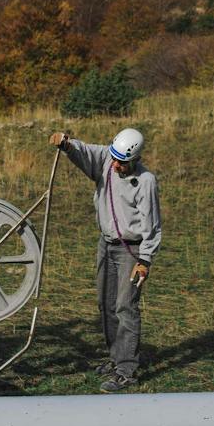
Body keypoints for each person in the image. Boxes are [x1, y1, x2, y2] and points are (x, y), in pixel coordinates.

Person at [49, 126, 161, 392]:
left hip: (130, 251)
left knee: (125, 307)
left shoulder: (146, 181)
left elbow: (152, 225)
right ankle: (115, 358)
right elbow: (84, 151)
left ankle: (127, 371)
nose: (116, 166)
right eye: (116, 159)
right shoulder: (107, 160)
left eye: (122, 163)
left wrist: (144, 260)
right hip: (106, 245)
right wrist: (66, 144)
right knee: (106, 305)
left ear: (134, 160)